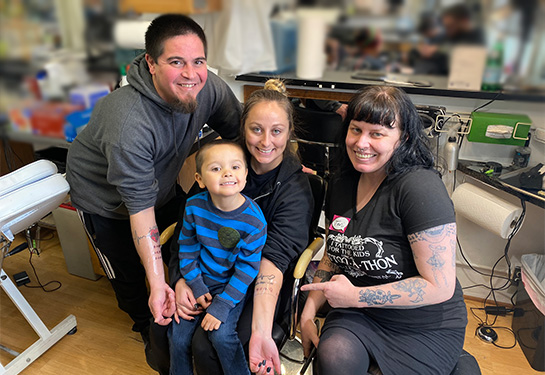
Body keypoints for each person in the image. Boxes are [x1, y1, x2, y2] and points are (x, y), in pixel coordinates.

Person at [65, 13, 242, 362]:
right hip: (106, 201)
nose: (191, 74)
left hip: (161, 183)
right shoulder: (129, 121)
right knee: (131, 275)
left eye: (199, 61)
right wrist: (157, 283)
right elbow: (140, 213)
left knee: (178, 248)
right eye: (176, 62)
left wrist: (286, 166)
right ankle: (146, 326)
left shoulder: (209, 88)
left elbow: (240, 130)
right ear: (151, 62)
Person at [300, 86, 467, 375]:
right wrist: (309, 310)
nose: (361, 143)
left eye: (376, 133)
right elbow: (337, 250)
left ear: (403, 139)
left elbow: (439, 286)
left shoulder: (419, 188)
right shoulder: (343, 181)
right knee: (332, 355)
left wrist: (354, 298)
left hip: (422, 323)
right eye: (356, 130)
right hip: (359, 314)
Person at [163, 79, 314, 375]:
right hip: (205, 273)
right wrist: (180, 280)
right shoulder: (222, 165)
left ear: (289, 132)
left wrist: (260, 331)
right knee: (169, 327)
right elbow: (187, 233)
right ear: (243, 129)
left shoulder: (294, 189)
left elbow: (272, 261)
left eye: (277, 131)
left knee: (210, 345)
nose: (266, 141)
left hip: (255, 283)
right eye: (256, 129)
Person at [169, 140, 267, 375]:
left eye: (235, 167)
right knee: (178, 335)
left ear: (244, 175)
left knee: (222, 336)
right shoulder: (193, 206)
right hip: (199, 280)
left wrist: (222, 305)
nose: (226, 173)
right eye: (215, 168)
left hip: (231, 286)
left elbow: (247, 270)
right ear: (199, 179)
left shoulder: (254, 221)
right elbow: (187, 247)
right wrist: (194, 282)